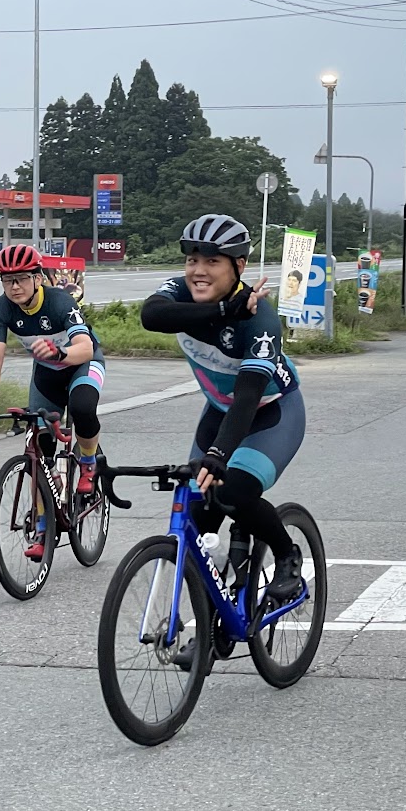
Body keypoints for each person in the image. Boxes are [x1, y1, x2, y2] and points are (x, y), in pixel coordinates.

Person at [141, 214, 306, 668]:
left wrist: (218, 455)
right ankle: (213, 623)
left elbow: (249, 397)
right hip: (217, 412)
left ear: (239, 266)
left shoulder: (261, 318)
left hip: (270, 414)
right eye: (193, 259)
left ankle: (287, 554)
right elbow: (152, 316)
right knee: (197, 516)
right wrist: (220, 312)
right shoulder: (182, 292)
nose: (198, 270)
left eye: (212, 261)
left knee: (232, 490)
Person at [0, 244, 106, 561]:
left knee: (83, 408)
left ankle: (88, 463)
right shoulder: (1, 308)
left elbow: (85, 347)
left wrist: (60, 352)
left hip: (82, 363)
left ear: (38, 278)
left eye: (21, 279)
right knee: (38, 452)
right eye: (7, 280)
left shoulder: (60, 302)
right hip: (46, 375)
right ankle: (43, 526)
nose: (14, 287)